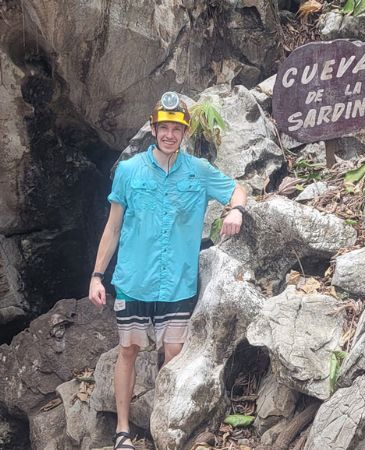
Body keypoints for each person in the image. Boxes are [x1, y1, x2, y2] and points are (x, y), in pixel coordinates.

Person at [88, 92, 247, 449]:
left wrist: (236, 211)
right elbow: (112, 228)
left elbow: (238, 189)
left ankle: (165, 429)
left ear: (184, 132)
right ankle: (123, 431)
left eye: (176, 128)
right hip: (132, 282)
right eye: (164, 127)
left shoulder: (199, 171)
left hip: (177, 285)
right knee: (127, 351)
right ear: (154, 129)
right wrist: (97, 276)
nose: (169, 134)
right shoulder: (129, 171)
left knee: (174, 356)